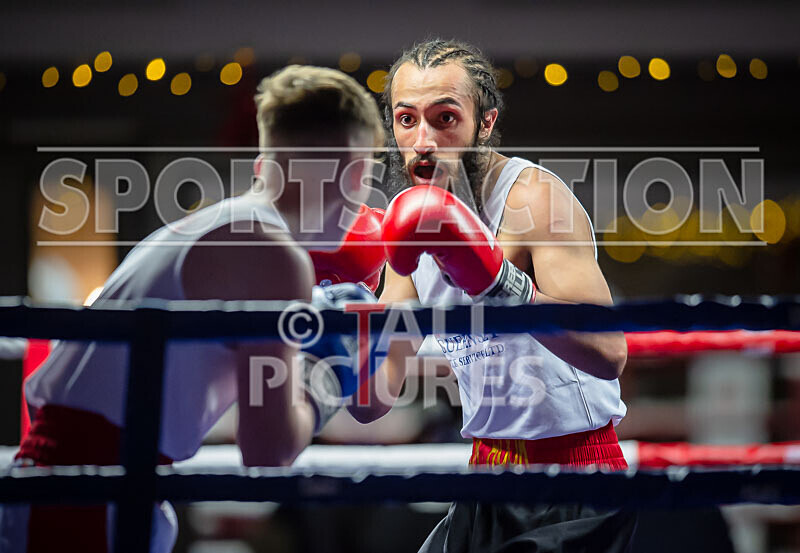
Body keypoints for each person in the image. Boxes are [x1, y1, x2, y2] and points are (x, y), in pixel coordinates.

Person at [0, 65, 385, 553]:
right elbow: (268, 452)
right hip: (86, 497)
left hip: (78, 483)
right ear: (355, 173)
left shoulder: (211, 223)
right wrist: (326, 373)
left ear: (266, 163)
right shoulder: (276, 257)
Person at [351, 39, 637, 552]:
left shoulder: (532, 199)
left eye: (444, 118)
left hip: (575, 478)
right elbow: (374, 399)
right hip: (486, 473)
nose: (423, 140)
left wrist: (500, 285)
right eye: (407, 119)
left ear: (484, 123)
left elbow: (610, 354)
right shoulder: (406, 219)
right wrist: (344, 312)